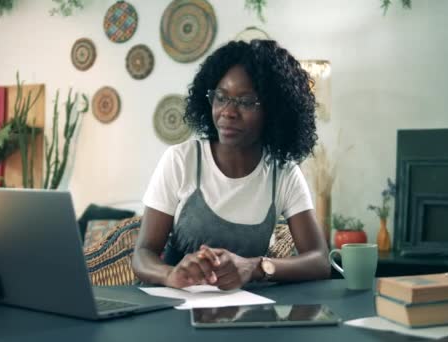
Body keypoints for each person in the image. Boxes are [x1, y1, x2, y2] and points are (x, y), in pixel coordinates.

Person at [132, 39, 330, 290]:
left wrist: (255, 267)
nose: (228, 112)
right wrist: (169, 274)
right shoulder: (182, 160)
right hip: (172, 308)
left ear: (273, 110)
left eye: (246, 102)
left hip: (245, 311)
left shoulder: (283, 173)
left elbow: (320, 261)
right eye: (221, 97)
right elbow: (143, 254)